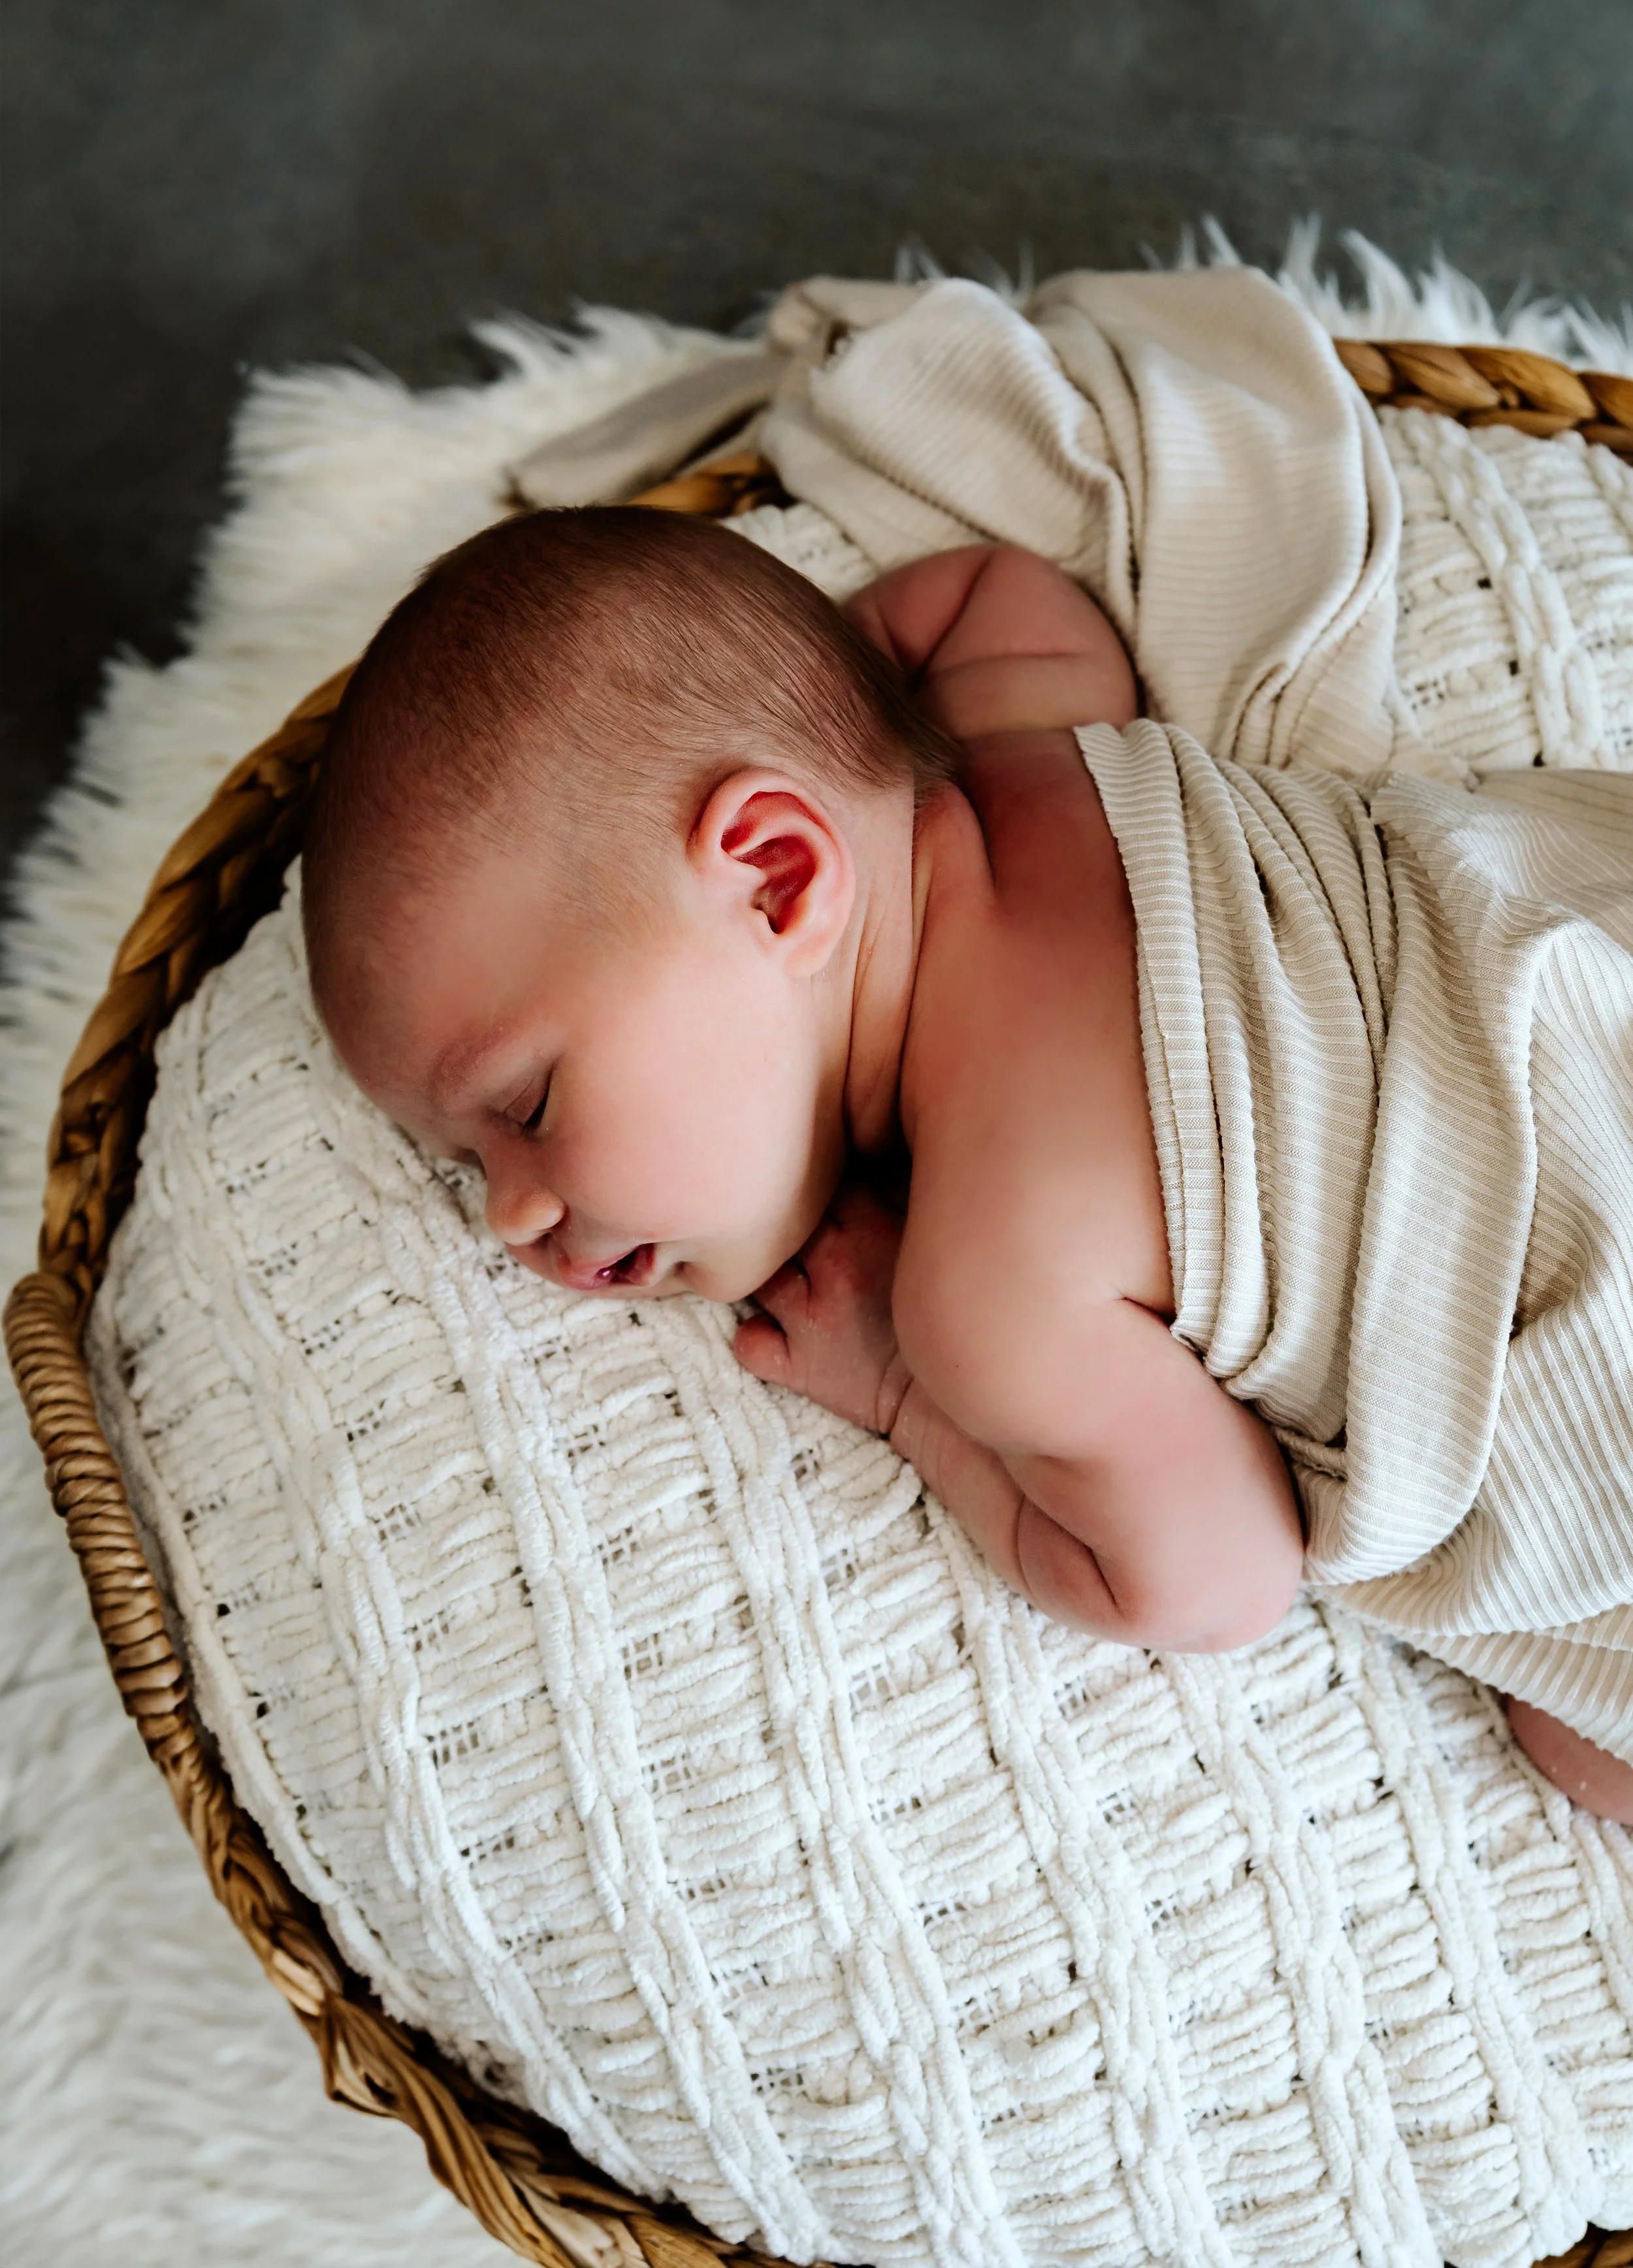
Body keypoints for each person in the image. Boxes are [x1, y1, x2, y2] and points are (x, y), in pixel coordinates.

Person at [301, 505, 1633, 1822]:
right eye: (463, 1164)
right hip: (1577, 989)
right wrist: (821, 701)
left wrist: (904, 1392)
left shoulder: (984, 1296)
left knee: (1572, 1723)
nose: (512, 1215)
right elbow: (981, 596)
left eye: (527, 1105)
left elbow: (1218, 1584)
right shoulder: (1034, 759)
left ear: (777, 877)